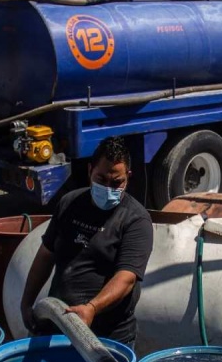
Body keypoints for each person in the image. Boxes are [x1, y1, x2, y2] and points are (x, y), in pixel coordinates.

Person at [20, 136, 153, 347]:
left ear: (128, 176)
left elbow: (126, 278)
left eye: (116, 182)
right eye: (101, 179)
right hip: (58, 325)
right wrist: (27, 302)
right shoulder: (69, 203)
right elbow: (46, 254)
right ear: (90, 170)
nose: (108, 188)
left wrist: (91, 308)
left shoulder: (136, 220)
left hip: (108, 337)